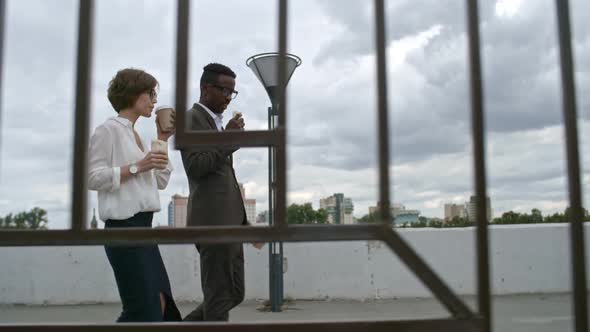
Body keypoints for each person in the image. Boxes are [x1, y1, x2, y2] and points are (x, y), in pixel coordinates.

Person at [88, 68, 181, 322]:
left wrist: (162, 139)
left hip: (145, 231)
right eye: (150, 94)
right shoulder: (108, 130)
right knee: (143, 310)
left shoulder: (137, 135)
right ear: (133, 94)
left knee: (162, 305)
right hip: (123, 230)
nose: (154, 101)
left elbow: (160, 182)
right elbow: (92, 177)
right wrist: (138, 166)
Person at [181, 63, 261, 322]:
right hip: (212, 224)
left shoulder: (214, 123)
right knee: (218, 297)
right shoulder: (191, 119)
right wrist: (227, 139)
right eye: (224, 91)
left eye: (232, 93)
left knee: (234, 293)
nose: (228, 97)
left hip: (230, 224)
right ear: (206, 88)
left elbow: (222, 175)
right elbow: (196, 167)